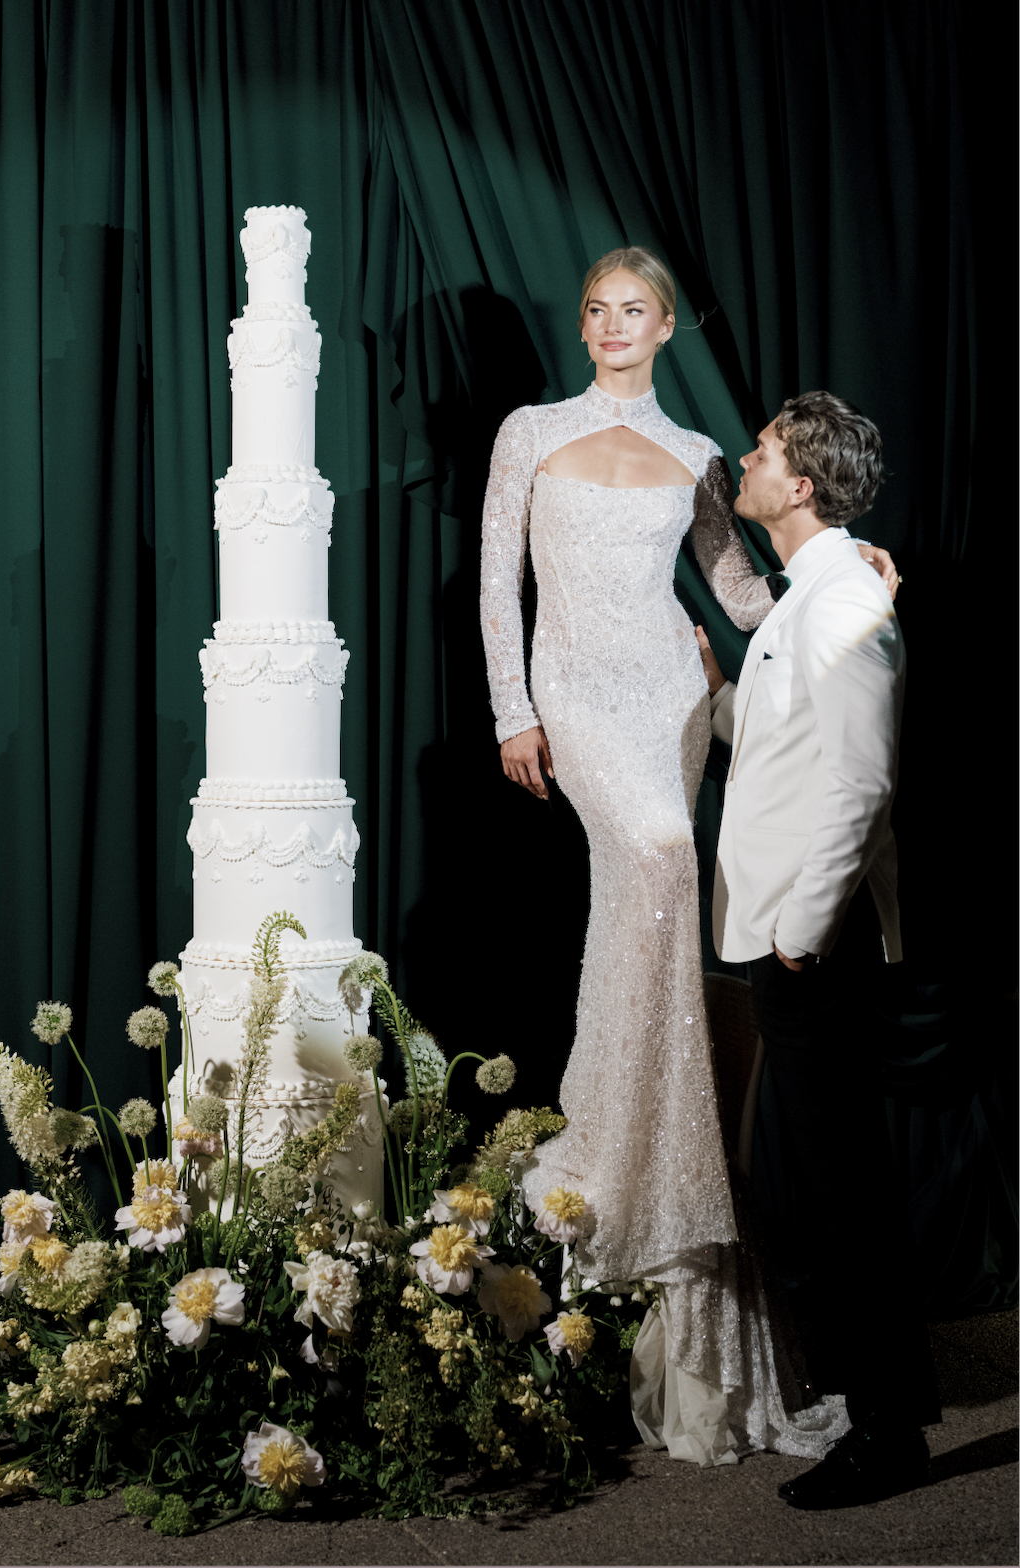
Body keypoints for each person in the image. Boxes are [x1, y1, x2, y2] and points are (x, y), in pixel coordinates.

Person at [478, 245, 898, 1468]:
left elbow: (729, 582)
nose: (611, 324)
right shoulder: (528, 431)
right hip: (574, 689)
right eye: (595, 309)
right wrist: (514, 707)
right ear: (583, 325)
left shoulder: (700, 455)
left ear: (663, 326)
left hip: (670, 692)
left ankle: (663, 1147)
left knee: (670, 874)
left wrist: (836, 587)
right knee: (660, 859)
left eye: (633, 309)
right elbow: (497, 583)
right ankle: (611, 1144)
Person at [698, 393, 940, 1507]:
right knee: (830, 1178)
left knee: (846, 1186)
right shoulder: (814, 597)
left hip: (810, 941)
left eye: (757, 452)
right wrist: (715, 691)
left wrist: (798, 932)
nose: (744, 460)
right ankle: (876, 1401)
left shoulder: (846, 604)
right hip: (781, 933)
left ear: (797, 485)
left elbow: (856, 781)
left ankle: (889, 1432)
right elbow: (782, 738)